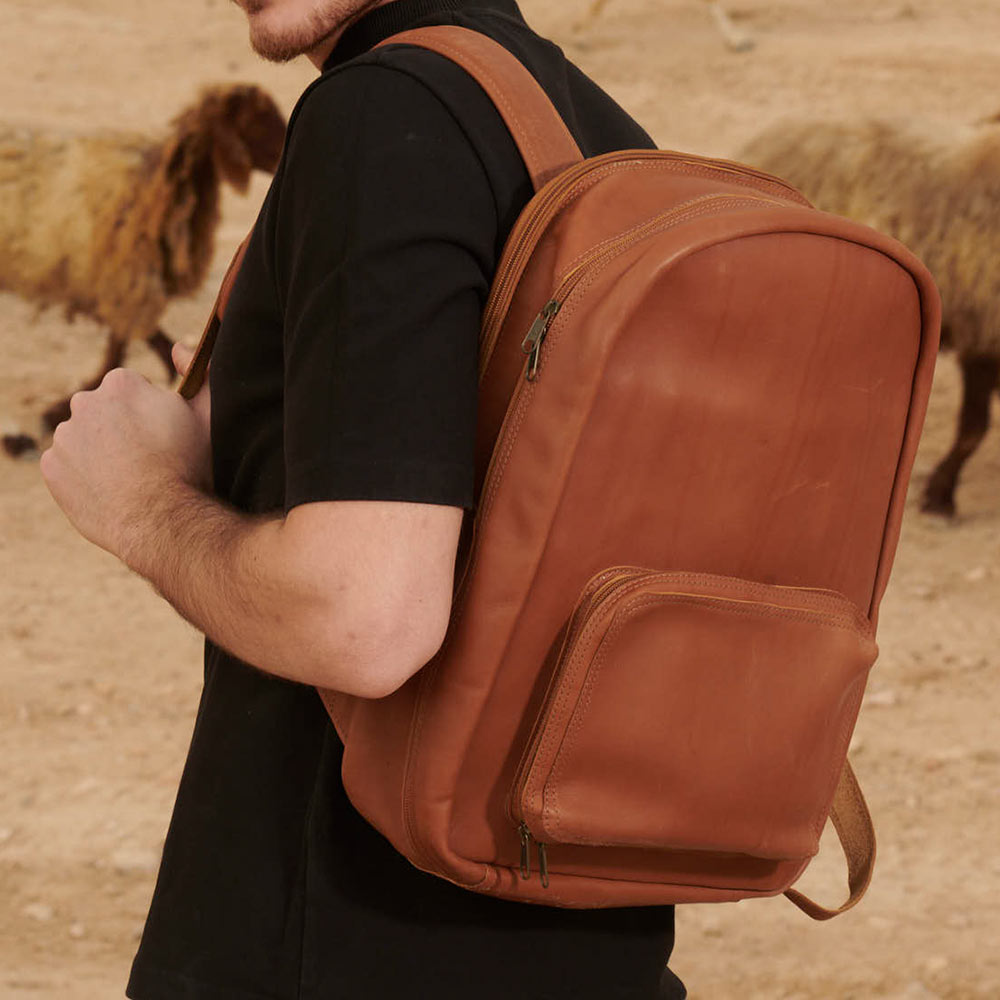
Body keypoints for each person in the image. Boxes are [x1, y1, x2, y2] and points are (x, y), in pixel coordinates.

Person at [40, 0, 687, 996]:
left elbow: (365, 618)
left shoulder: (385, 113)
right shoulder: (603, 140)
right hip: (593, 951)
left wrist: (138, 502)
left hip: (335, 948)